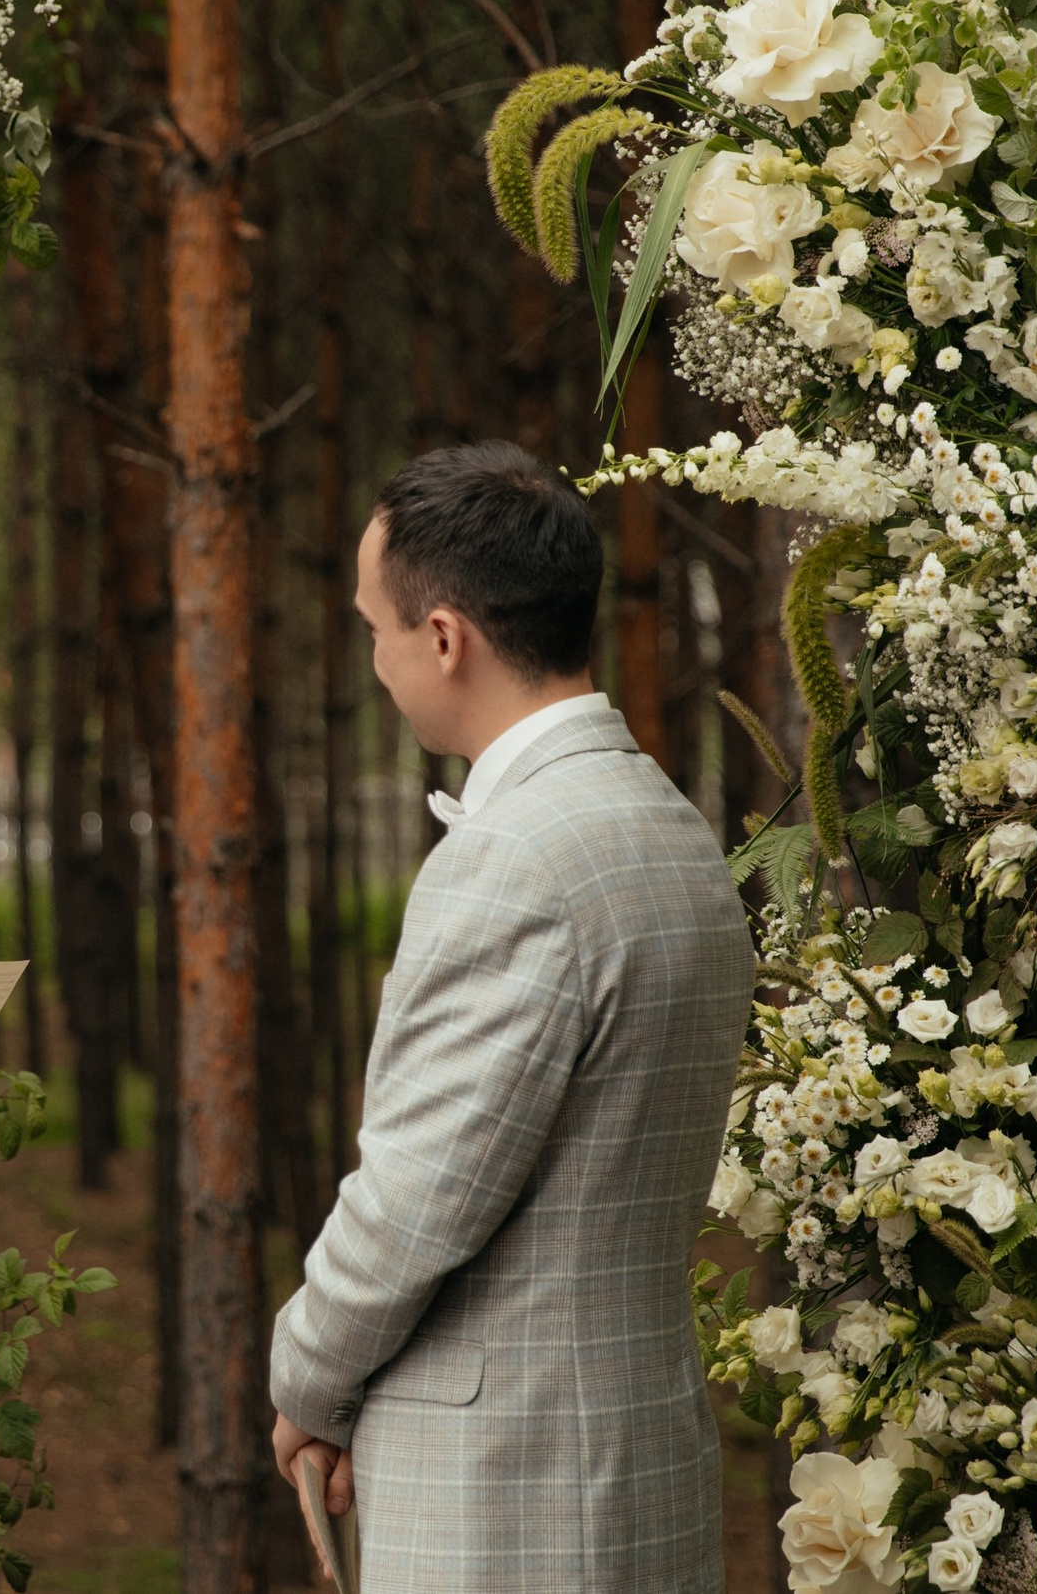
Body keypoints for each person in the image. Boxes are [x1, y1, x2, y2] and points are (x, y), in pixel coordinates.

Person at [269, 443, 753, 1592]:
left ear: (443, 637)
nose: (375, 661)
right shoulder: (671, 826)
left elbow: (412, 1204)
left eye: (374, 628)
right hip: (638, 1454)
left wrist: (304, 1377)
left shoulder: (513, 858)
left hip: (510, 1489)